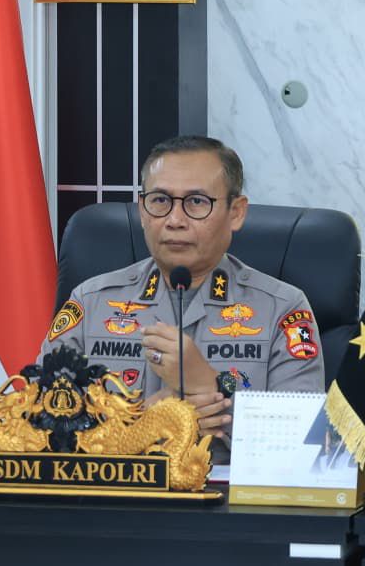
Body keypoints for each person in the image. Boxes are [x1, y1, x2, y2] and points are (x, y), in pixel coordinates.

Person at [41, 135, 324, 458]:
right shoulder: (91, 301)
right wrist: (142, 424)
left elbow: (305, 446)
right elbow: (38, 423)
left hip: (230, 491)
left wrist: (211, 388)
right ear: (142, 211)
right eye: (160, 200)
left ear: (236, 212)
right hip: (115, 489)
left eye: (197, 202)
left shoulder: (282, 309)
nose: (175, 220)